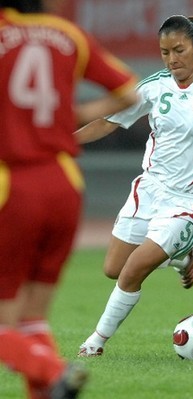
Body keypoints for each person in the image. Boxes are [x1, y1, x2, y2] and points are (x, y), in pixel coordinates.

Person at [75, 15, 193, 357]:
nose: (172, 59)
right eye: (165, 52)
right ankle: (182, 258)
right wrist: (60, 144)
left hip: (189, 201)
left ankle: (94, 343)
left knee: (133, 271)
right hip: (149, 190)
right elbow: (107, 123)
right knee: (113, 269)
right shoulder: (154, 86)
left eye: (179, 50)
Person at [0, 0, 139, 397]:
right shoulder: (68, 36)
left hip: (13, 184)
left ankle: (54, 370)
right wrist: (68, 114)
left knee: (5, 326)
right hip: (65, 183)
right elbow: (129, 93)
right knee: (32, 320)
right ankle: (50, 383)